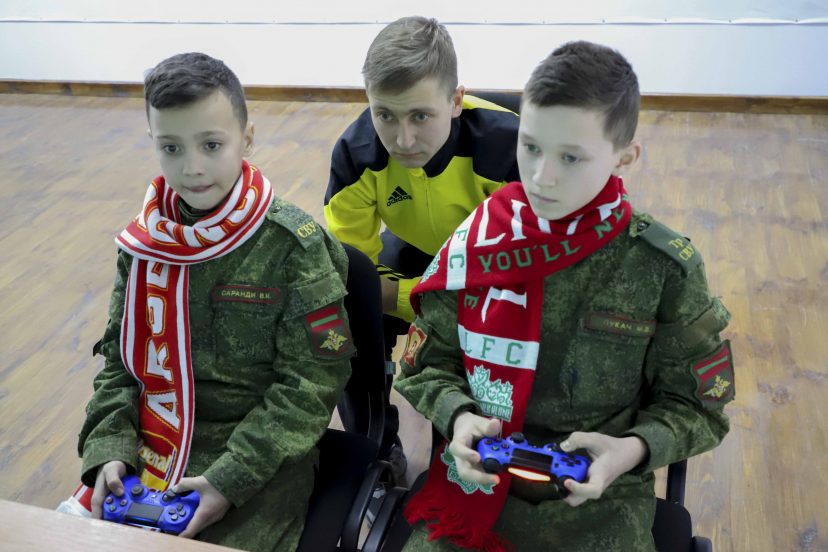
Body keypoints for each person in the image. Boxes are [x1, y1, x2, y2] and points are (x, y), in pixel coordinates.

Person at [393, 41, 735, 551]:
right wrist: (459, 417)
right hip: (477, 484)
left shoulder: (660, 269)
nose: (540, 176)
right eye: (530, 146)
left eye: (571, 157)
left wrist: (632, 450)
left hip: (599, 503)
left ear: (625, 157)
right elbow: (425, 365)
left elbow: (700, 406)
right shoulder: (480, 242)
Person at [59, 52, 354, 552]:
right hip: (150, 447)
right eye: (171, 147)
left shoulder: (294, 247)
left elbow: (311, 385)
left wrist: (229, 480)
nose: (192, 167)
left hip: (258, 457)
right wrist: (109, 450)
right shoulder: (145, 245)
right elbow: (120, 363)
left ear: (247, 138)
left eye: (211, 145)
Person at [323, 16, 520, 480]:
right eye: (385, 115)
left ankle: (474, 439)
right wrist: (387, 296)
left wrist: (404, 297)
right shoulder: (355, 154)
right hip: (417, 252)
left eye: (420, 116)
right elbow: (351, 273)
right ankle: (374, 441)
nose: (403, 139)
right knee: (343, 309)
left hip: (487, 261)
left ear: (455, 101)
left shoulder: (509, 149)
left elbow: (511, 277)